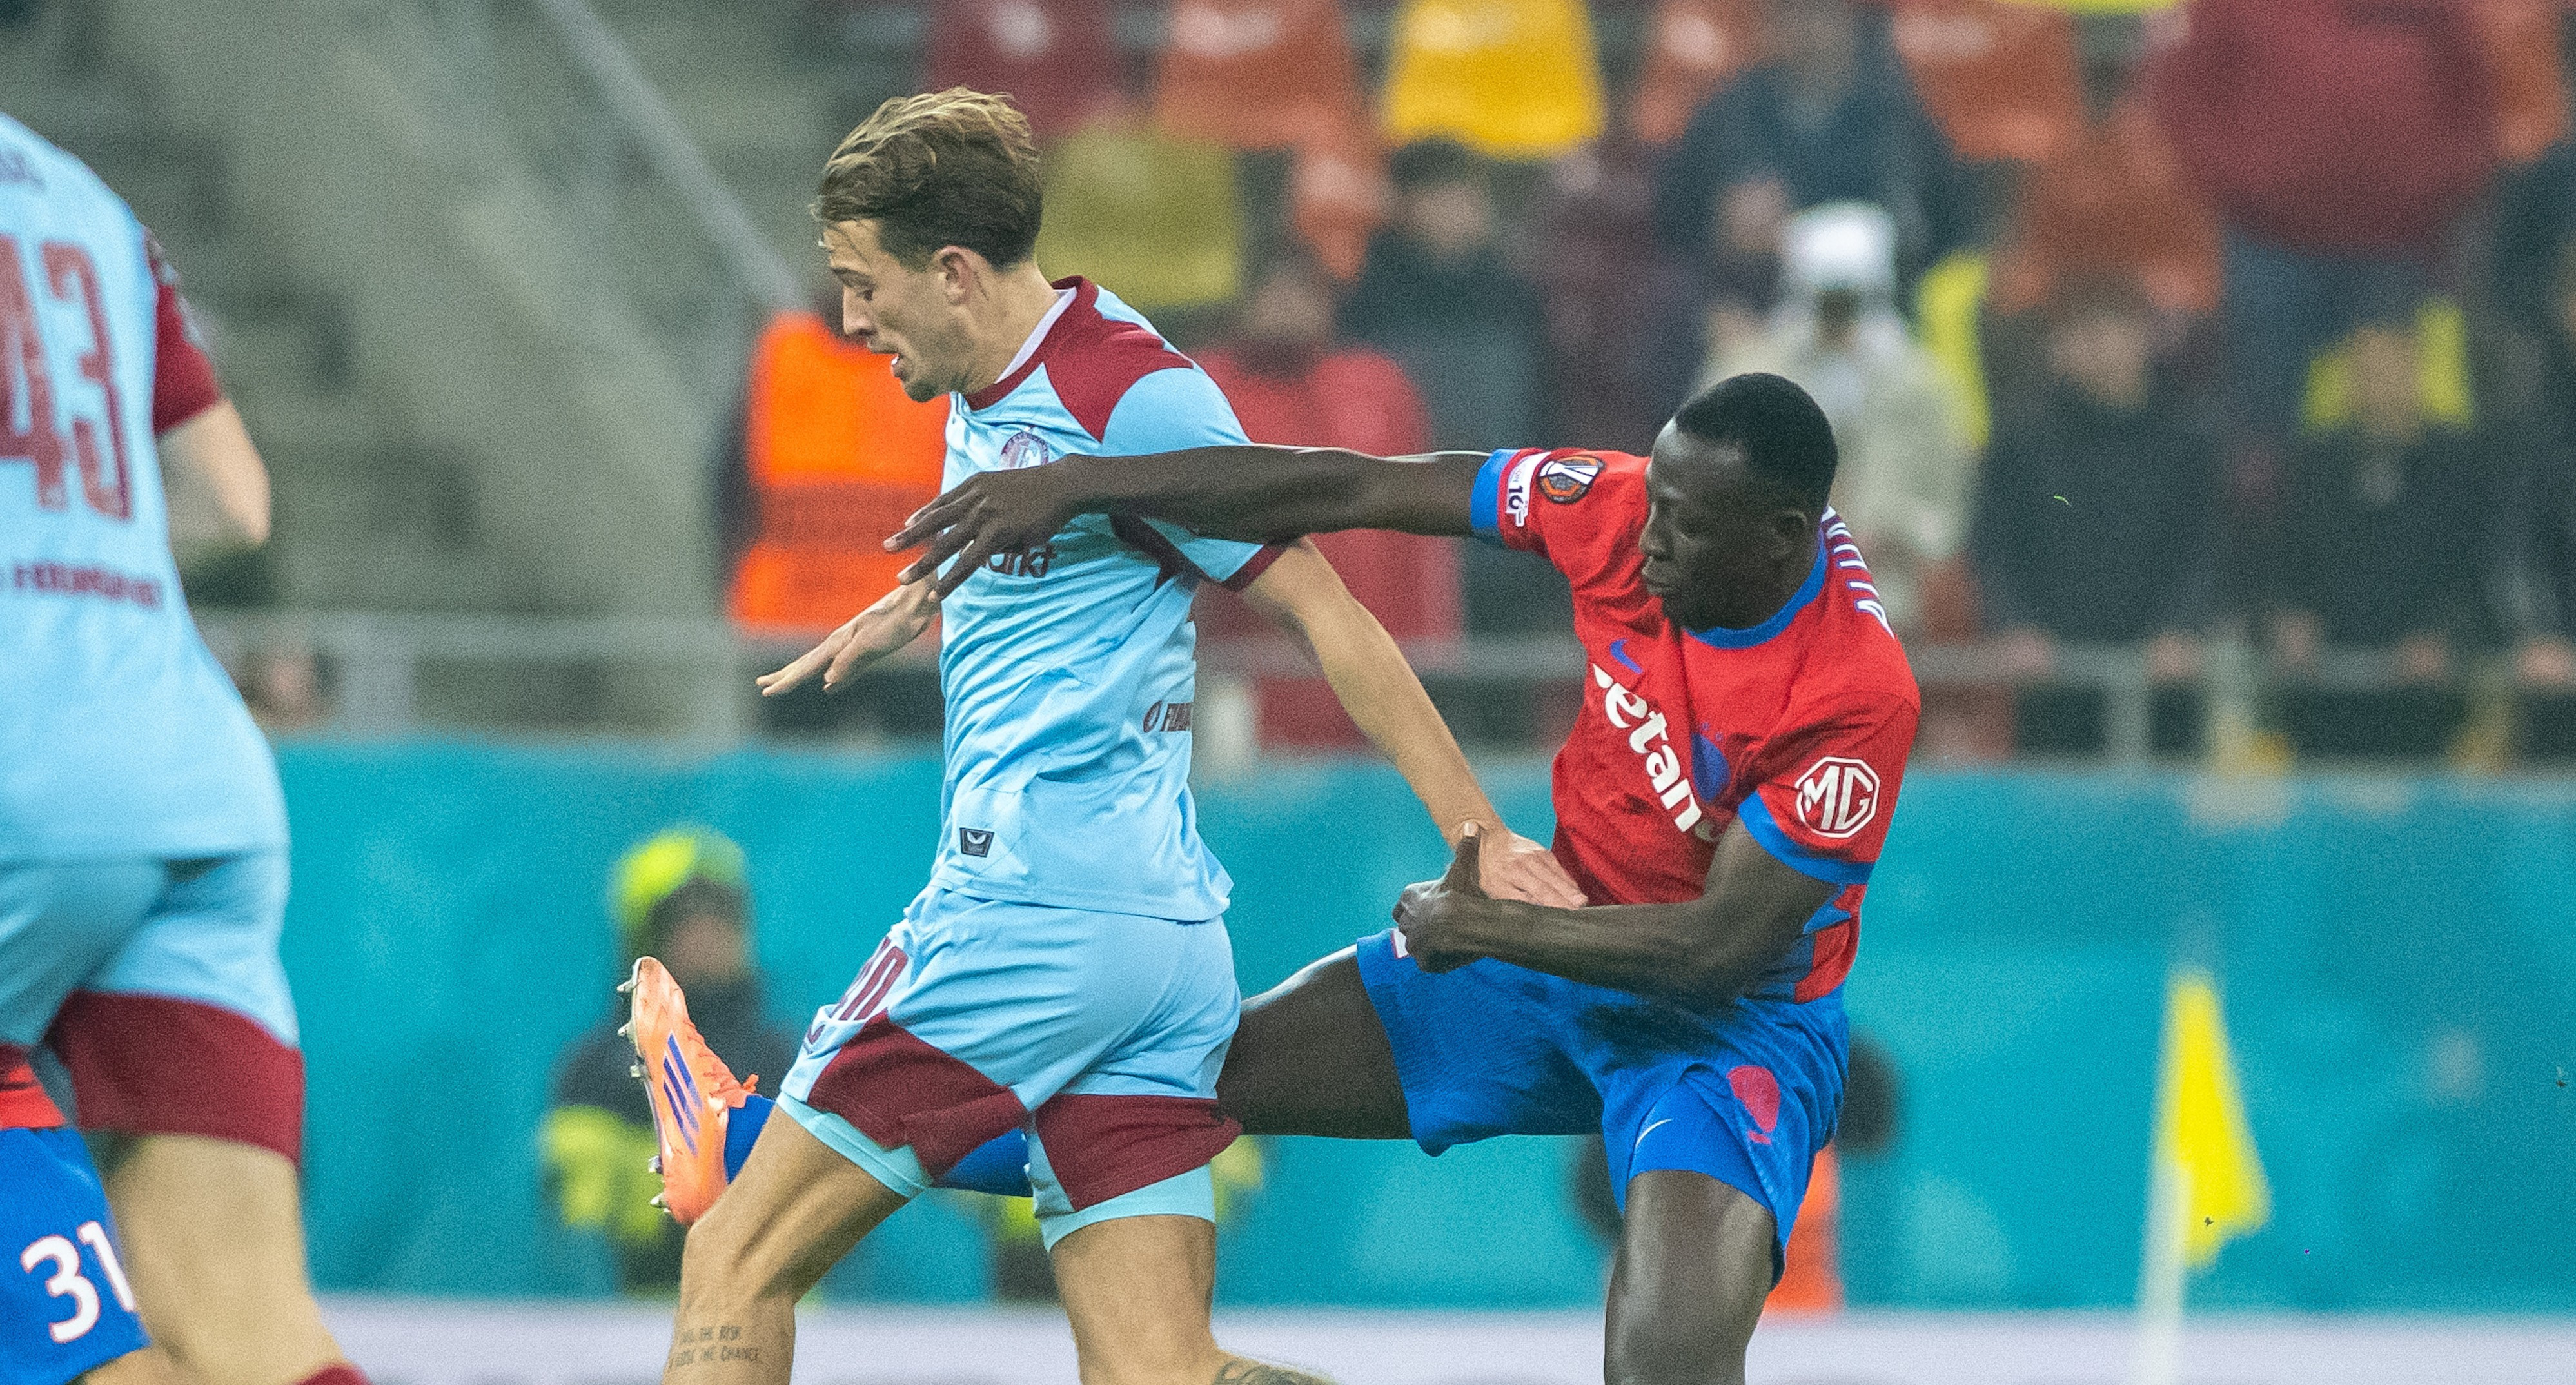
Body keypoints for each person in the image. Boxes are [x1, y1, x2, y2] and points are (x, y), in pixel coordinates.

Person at [624, 88, 1579, 1385]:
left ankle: (731, 1138)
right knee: (1161, 1375)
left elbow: (1321, 603)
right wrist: (919, 599)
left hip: (1028, 917)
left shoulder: (1126, 396)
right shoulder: (1008, 362)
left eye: (861, 285)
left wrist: (1475, 827)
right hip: (1151, 949)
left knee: (733, 1248)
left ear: (952, 272)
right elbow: (1066, 547)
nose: (847, 321)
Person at [894, 370, 1920, 1385]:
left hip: (1722, 1028)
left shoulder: (1850, 694)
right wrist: (1084, 483)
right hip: (1543, 937)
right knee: (1160, 1086)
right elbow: (1344, 486)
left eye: (1683, 527)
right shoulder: (1617, 508)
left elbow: (1712, 951)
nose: (1644, 538)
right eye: (1651, 501)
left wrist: (1477, 930)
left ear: (1781, 537)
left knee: (1664, 1360)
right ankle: (802, 1140)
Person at [1, 113, 365, 1385]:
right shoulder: (87, 201)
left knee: (84, 1350)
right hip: (183, 758)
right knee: (247, 1330)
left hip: (19, 769)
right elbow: (228, 500)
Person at [1196, 250, 1458, 749]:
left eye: (1304, 291)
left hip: (1380, 662)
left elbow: (1427, 534)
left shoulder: (1379, 385)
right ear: (1245, 300)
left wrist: (1437, 651)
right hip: (1249, 669)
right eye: (1276, 289)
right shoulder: (1204, 387)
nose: (1289, 305)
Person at [1971, 276, 2223, 753]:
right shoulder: (2022, 437)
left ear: (2144, 338)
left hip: (2163, 678)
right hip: (2052, 679)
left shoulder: (2191, 436)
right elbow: (1993, 544)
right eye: (2078, 334)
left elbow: (2208, 545)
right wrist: (2014, 625)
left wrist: (2183, 626)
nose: (2094, 348)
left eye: (2107, 332)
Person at [541, 829, 796, 1295]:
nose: (711, 937)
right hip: (649, 1327)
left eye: (725, 919)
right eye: (686, 922)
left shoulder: (786, 1057)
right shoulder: (596, 1070)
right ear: (643, 940)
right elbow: (581, 1226)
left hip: (791, 1316)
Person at [1706, 202, 1974, 636]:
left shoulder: (1921, 384)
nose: (1837, 320)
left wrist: (1889, 532)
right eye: (1825, 302)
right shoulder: (1742, 376)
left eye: (1849, 302)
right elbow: (1698, 481)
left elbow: (1947, 504)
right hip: (1762, 604)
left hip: (1883, 603)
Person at [1652, 0, 1968, 301]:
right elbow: (1674, 229)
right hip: (1757, 317)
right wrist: (1722, 234)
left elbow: (1951, 234)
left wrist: (1898, 233)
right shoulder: (1729, 114)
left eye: (1820, 11)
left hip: (1878, 319)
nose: (1807, 29)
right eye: (1791, 13)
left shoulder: (1897, 116)